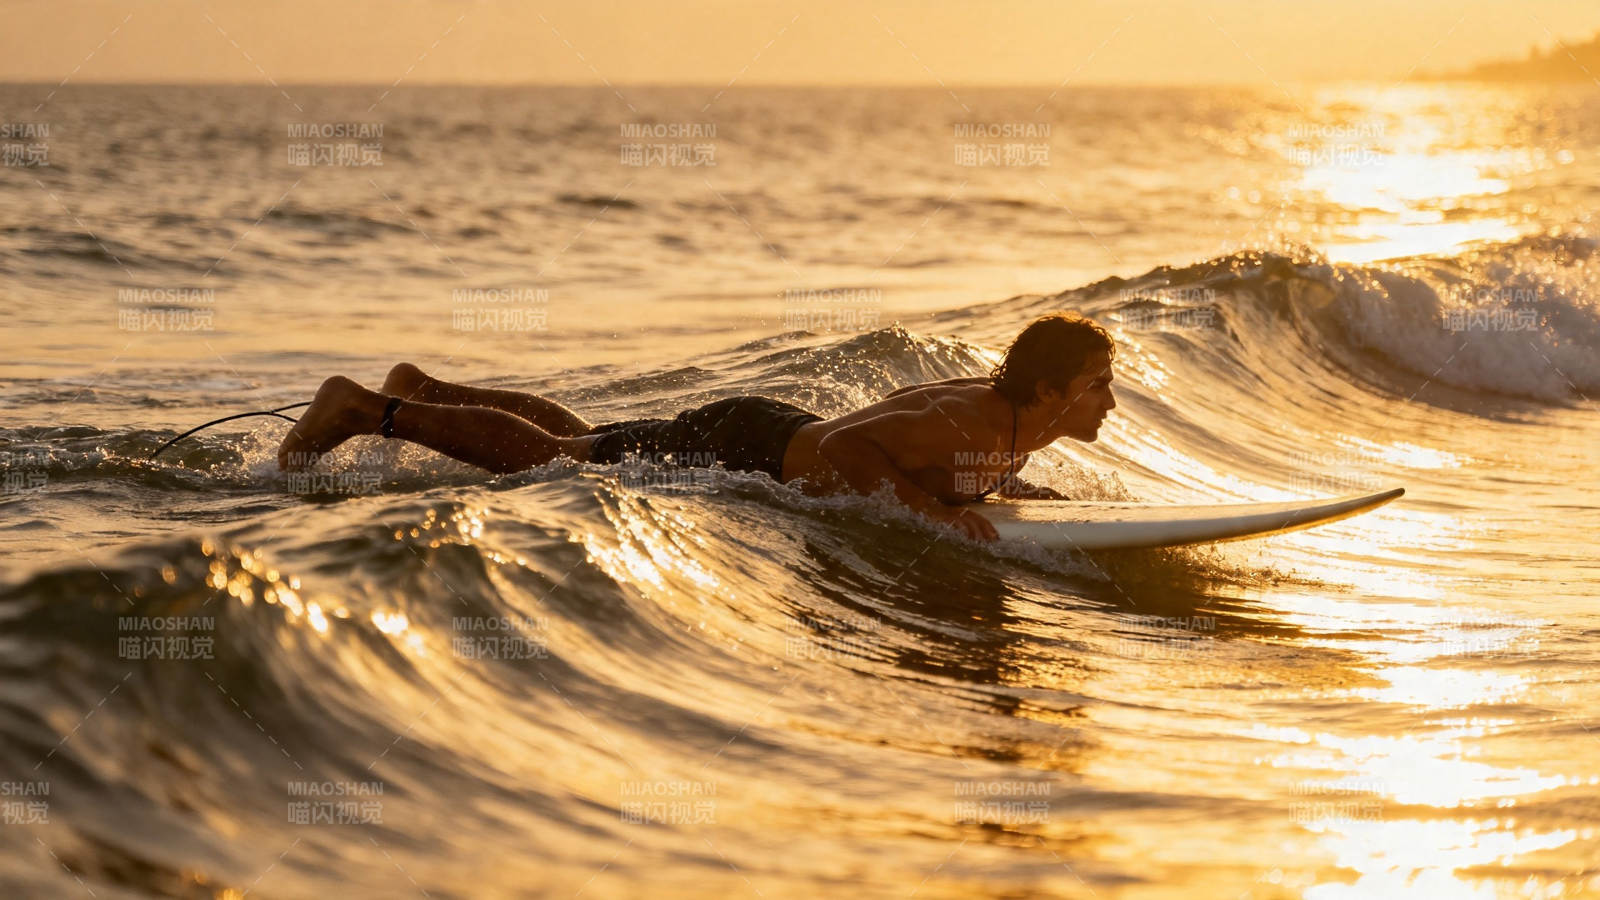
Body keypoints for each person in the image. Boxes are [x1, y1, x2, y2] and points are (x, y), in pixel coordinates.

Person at [277, 312, 1117, 541]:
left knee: (589, 437)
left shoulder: (1014, 417)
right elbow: (845, 450)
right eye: (1096, 386)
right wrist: (933, 514)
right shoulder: (968, 417)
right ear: (1050, 390)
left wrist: (1001, 486)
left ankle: (420, 387)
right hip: (749, 445)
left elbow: (933, 455)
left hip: (765, 429)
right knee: (560, 461)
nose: (1108, 404)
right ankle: (366, 410)